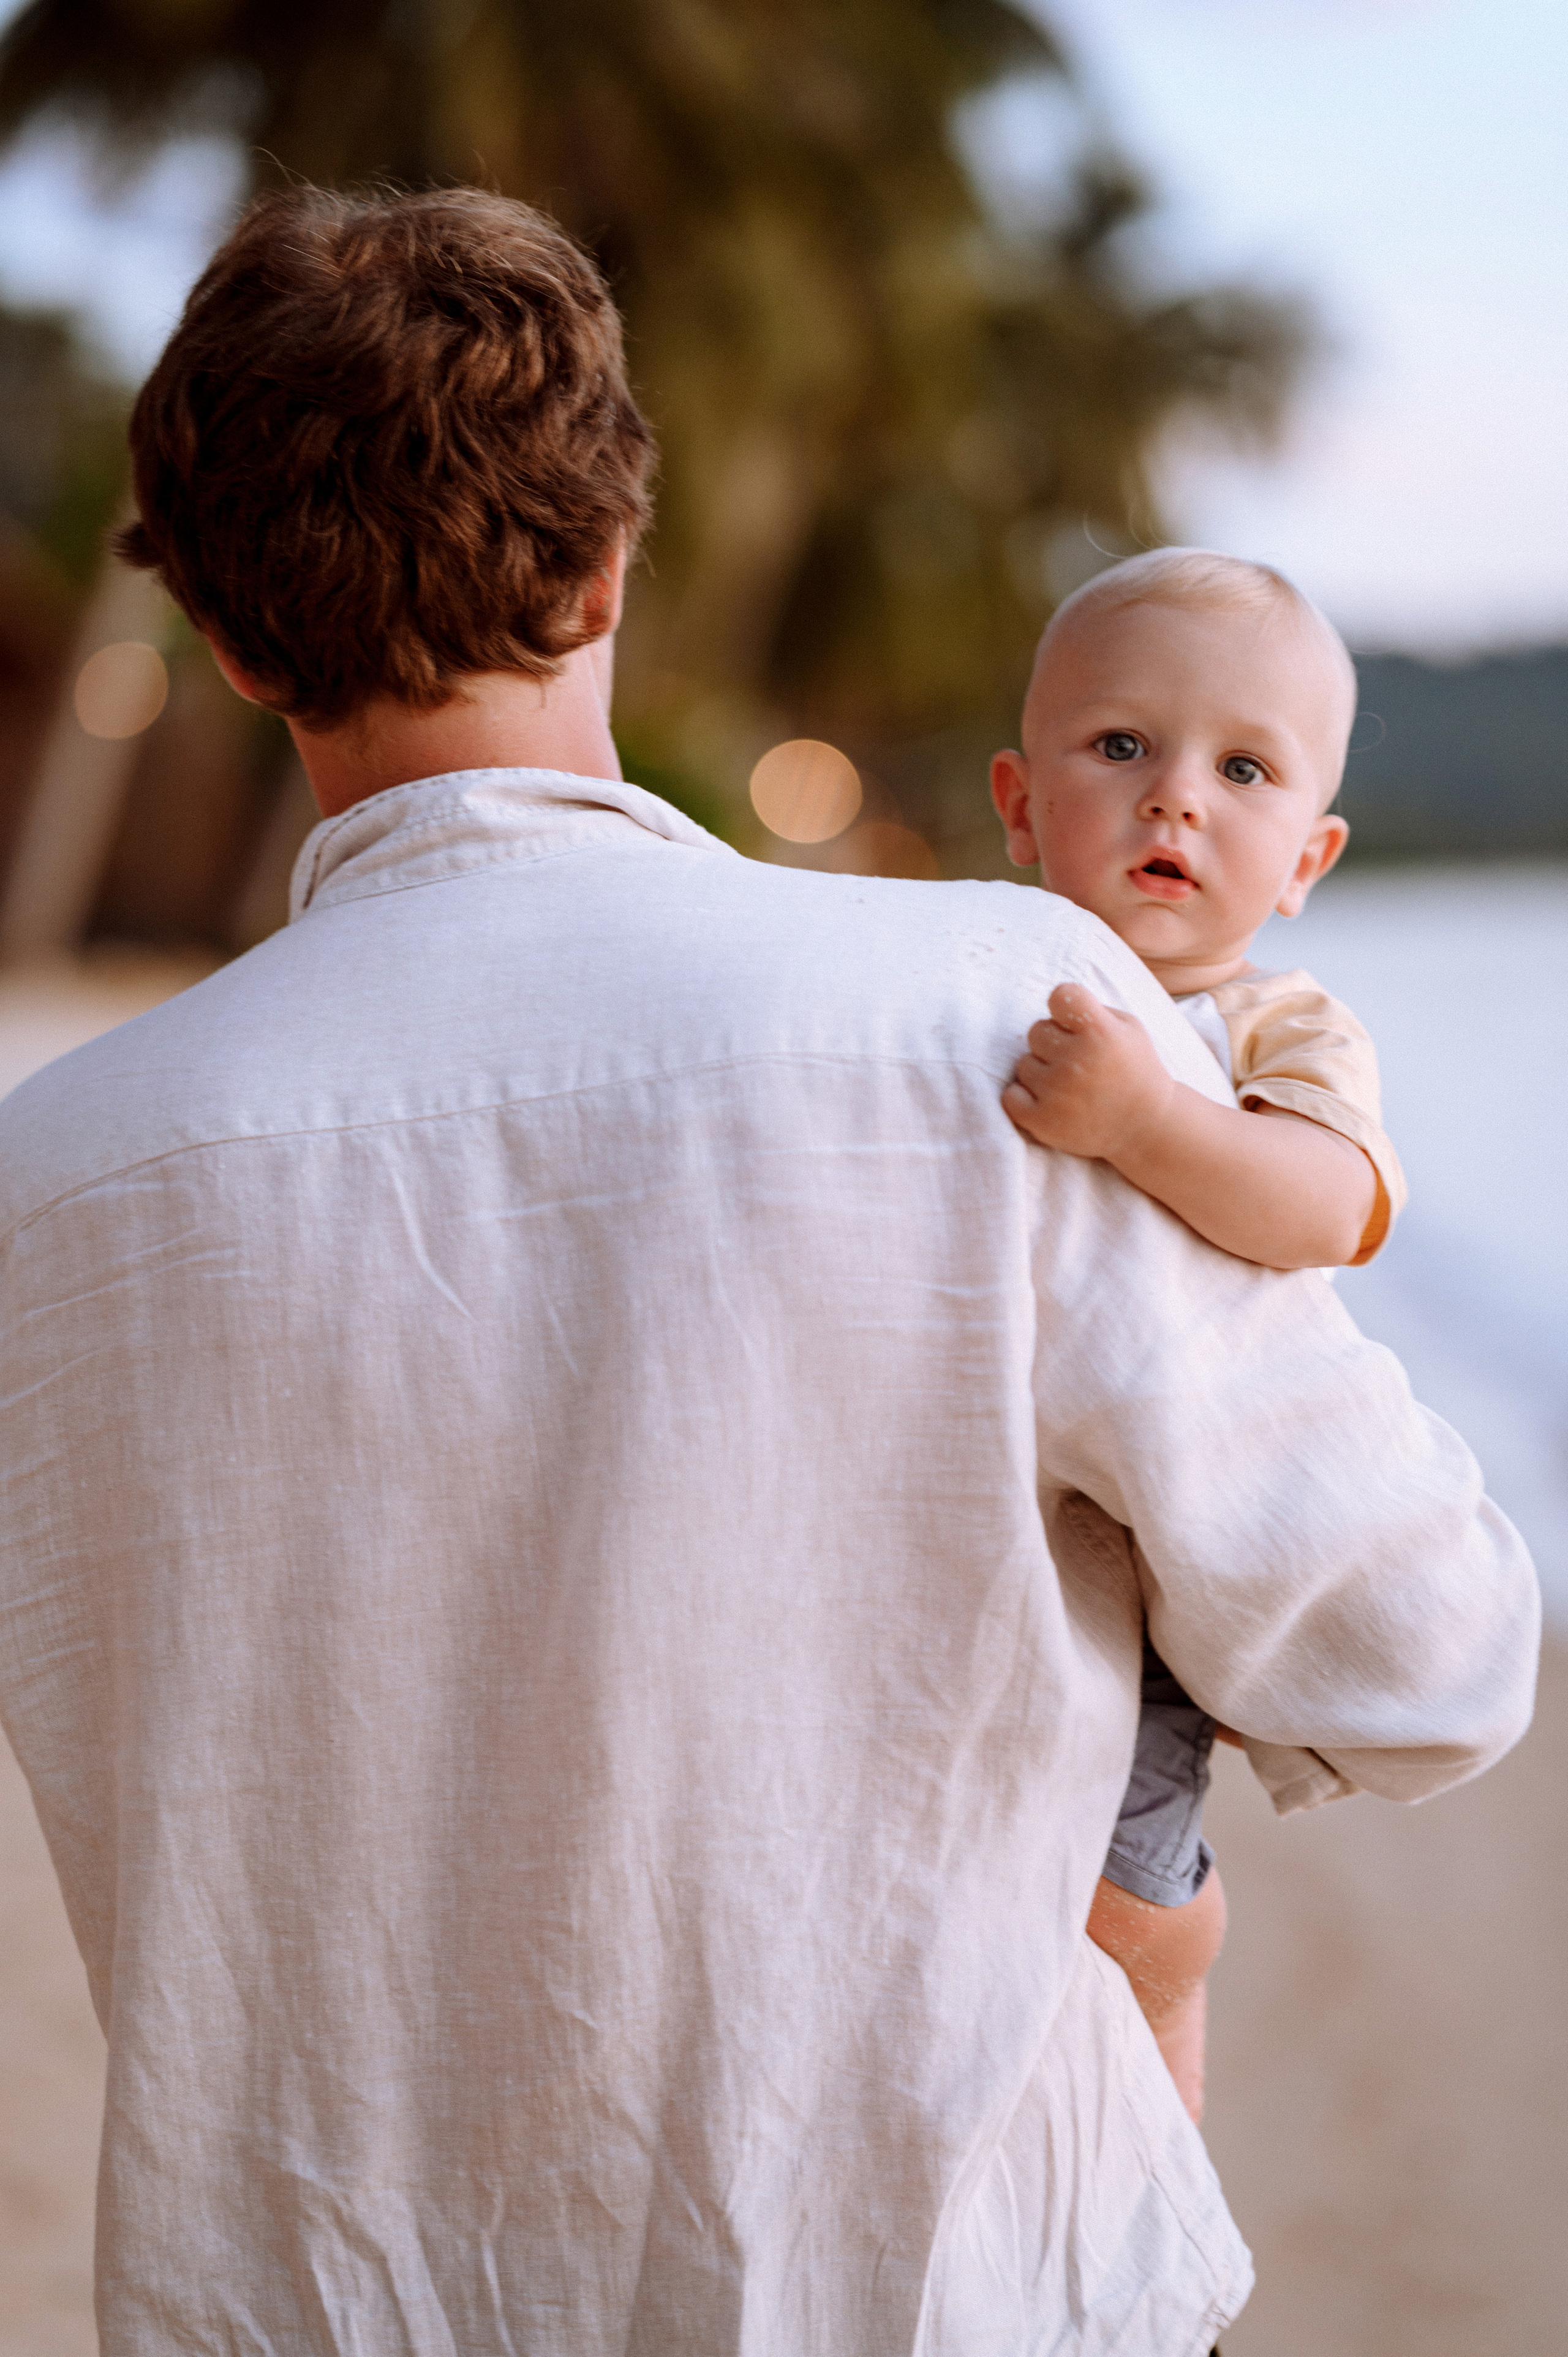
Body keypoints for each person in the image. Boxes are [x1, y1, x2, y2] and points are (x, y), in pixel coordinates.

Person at [0, 186, 1538, 2357]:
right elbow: (1435, 1657)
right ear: (615, 564)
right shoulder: (1007, 1017)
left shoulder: (43, 1190)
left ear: (240, 647)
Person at [991, 549, 1406, 2123]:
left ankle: (1159, 2150)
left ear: (1303, 855)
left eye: (1240, 770)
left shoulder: (1275, 1029)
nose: (1175, 801)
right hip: (992, 1498)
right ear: (1021, 805)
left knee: (1132, 1881)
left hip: (1180, 1524)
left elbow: (1324, 1200)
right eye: (1119, 748)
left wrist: (1151, 1118)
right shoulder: (981, 974)